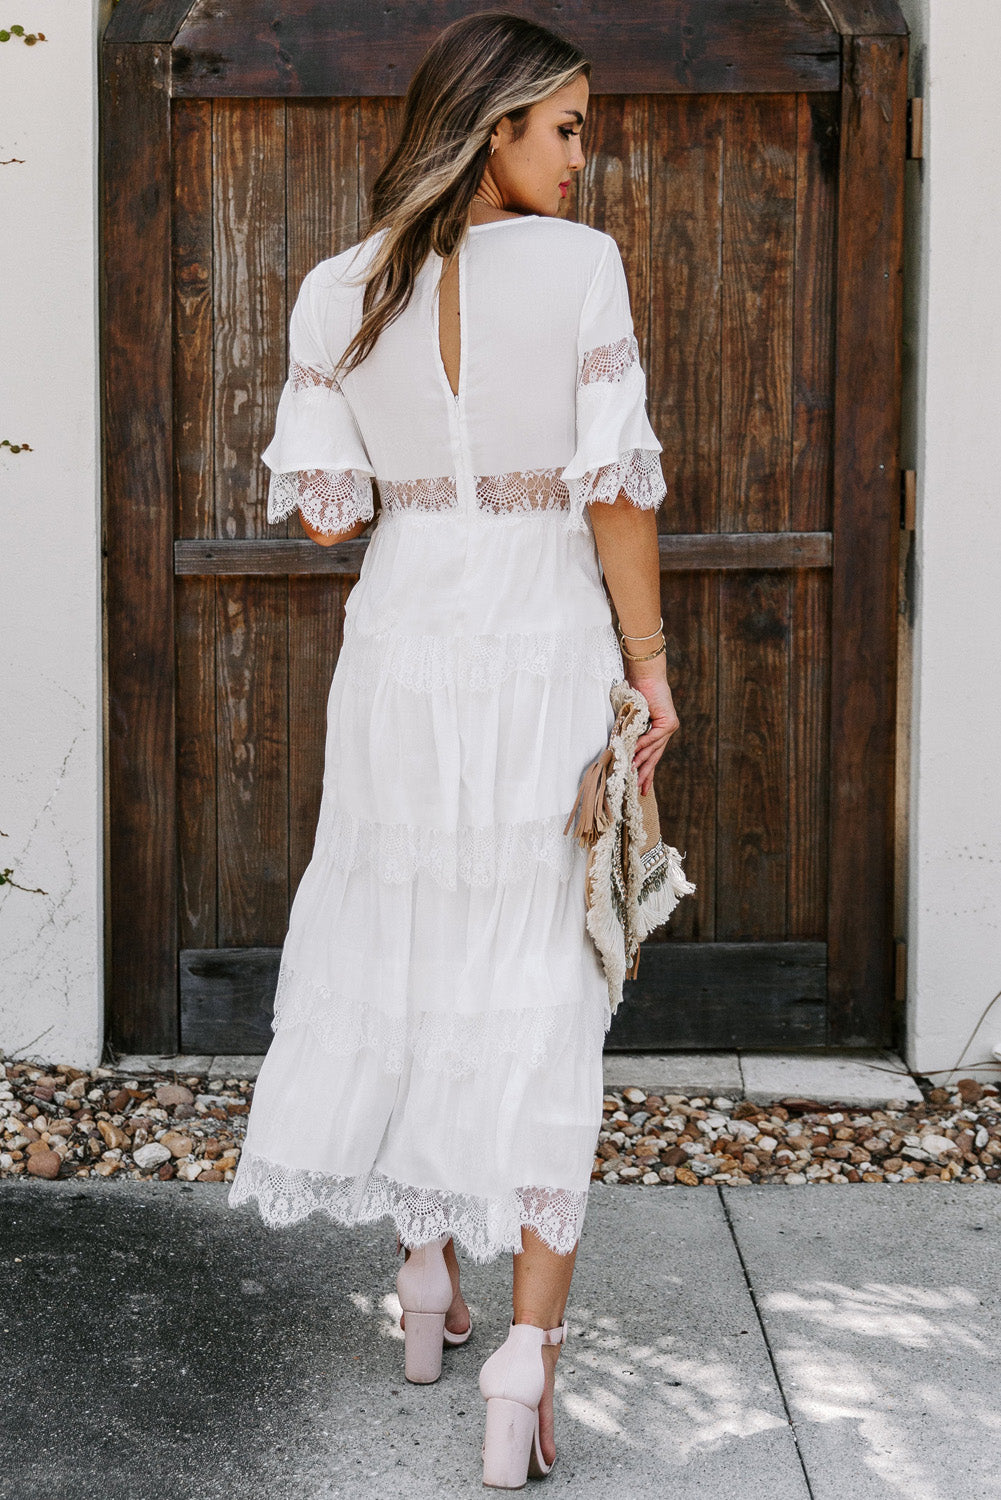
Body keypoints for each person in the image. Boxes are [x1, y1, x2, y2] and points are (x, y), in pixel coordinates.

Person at [228, 10, 680, 1487]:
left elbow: (327, 516)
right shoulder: (580, 269)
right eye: (562, 128)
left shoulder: (333, 288)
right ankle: (524, 1366)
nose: (577, 153)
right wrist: (652, 670)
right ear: (491, 128)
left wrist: (401, 423)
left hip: (406, 647)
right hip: (539, 642)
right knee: (544, 968)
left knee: (406, 941)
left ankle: (423, 1290)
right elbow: (615, 495)